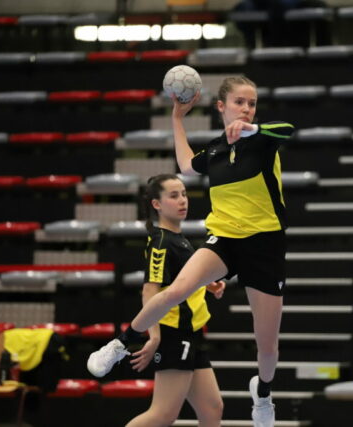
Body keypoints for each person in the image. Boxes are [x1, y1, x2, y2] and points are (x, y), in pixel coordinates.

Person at [88, 76, 294, 427]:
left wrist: (253, 128)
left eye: (252, 103)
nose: (246, 108)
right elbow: (186, 165)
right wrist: (177, 118)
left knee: (267, 346)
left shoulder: (264, 140)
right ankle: (121, 344)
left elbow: (287, 129)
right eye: (239, 102)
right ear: (221, 107)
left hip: (265, 247)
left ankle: (262, 395)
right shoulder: (214, 150)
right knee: (177, 289)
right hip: (225, 239)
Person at [90, 174, 226, 427]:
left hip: (192, 332)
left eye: (184, 194)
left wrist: (209, 285)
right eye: (173, 196)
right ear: (157, 204)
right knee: (163, 414)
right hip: (174, 333)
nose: (182, 200)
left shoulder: (180, 239)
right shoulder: (161, 242)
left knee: (212, 409)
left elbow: (180, 280)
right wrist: (154, 336)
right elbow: (150, 291)